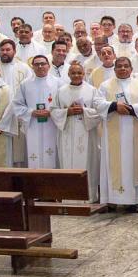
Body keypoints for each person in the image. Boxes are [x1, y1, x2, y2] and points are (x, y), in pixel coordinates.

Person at [95, 57, 138, 212]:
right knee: (111, 164)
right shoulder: (105, 85)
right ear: (114, 69)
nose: (123, 69)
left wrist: (129, 109)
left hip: (133, 132)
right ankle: (111, 201)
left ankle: (132, 201)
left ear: (131, 69)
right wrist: (114, 106)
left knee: (131, 164)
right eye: (119, 66)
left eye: (126, 66)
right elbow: (97, 103)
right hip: (112, 133)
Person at [51, 63, 103, 201]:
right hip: (67, 133)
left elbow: (99, 111)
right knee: (67, 164)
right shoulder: (61, 91)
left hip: (87, 134)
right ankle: (69, 197)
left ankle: (89, 196)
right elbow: (53, 111)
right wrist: (67, 111)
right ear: (68, 74)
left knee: (88, 164)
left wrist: (84, 110)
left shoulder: (92, 90)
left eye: (79, 73)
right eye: (73, 73)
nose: (76, 75)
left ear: (84, 74)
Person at [14, 55, 60, 169]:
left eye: (43, 64)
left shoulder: (58, 83)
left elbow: (63, 104)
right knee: (33, 155)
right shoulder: (25, 84)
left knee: (52, 153)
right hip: (32, 125)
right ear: (32, 67)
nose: (40, 66)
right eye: (37, 64)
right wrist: (31, 113)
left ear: (48, 66)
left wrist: (52, 112)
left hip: (52, 124)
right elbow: (17, 104)